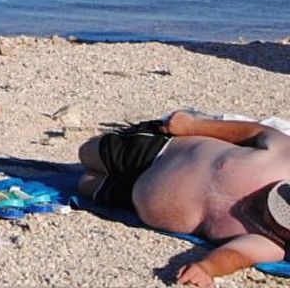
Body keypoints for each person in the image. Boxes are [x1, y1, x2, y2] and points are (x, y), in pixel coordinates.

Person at [79, 111, 290, 284]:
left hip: (133, 197)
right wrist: (193, 126)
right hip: (160, 152)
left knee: (85, 183)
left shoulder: (269, 245)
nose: (272, 213)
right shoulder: (285, 158)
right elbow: (258, 131)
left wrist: (207, 269)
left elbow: (236, 256)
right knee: (87, 152)